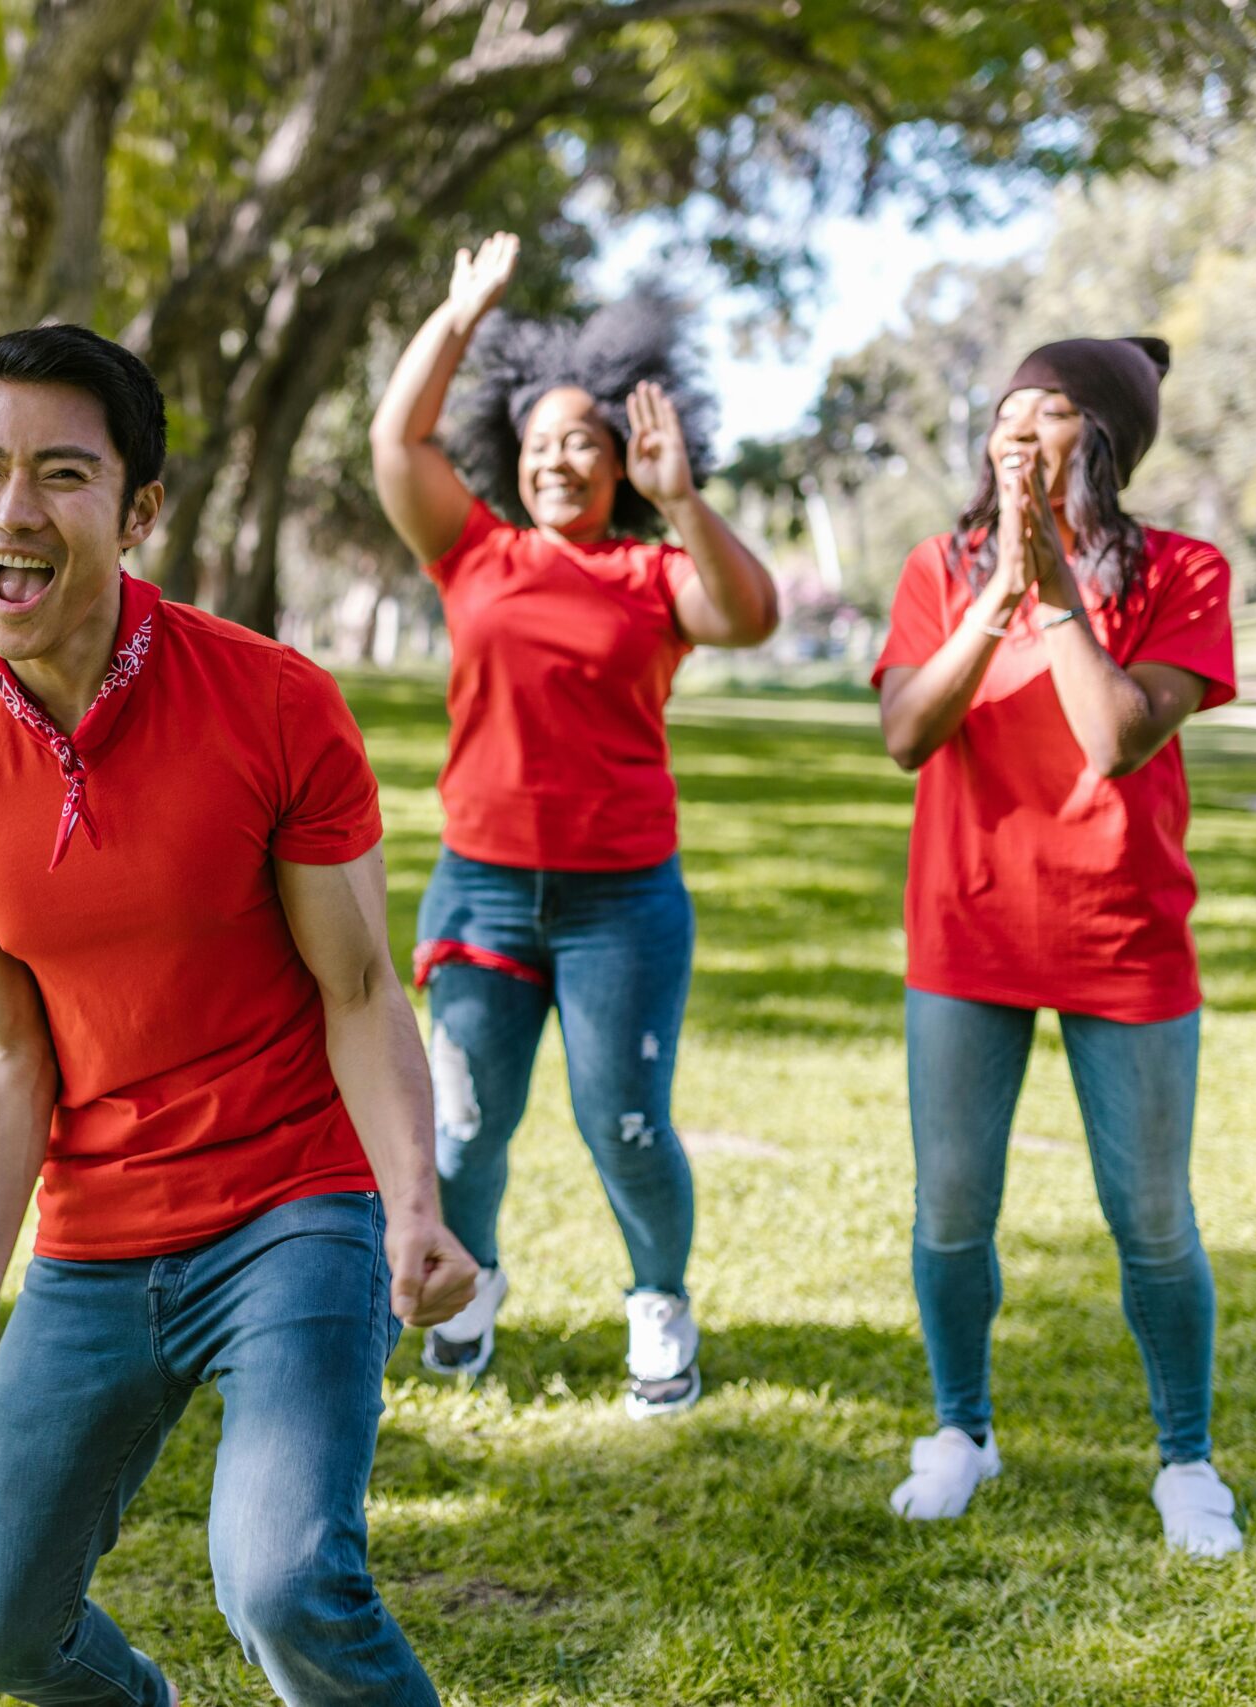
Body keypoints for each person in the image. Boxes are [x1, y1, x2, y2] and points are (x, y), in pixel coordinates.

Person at [0, 324, 478, 1707]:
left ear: (140, 510)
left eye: (63, 474)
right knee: (0, 1635)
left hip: (293, 1203)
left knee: (280, 1577)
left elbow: (359, 984)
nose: (13, 510)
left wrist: (409, 1202)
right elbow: (5, 1047)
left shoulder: (272, 701)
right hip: (94, 1241)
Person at [367, 233, 779, 1407]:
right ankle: (474, 1285)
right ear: (514, 456)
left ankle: (658, 1304)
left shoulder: (654, 578)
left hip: (620, 903)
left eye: (583, 444)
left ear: (619, 459)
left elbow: (747, 615)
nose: (558, 461)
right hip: (484, 890)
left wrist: (683, 499)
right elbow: (397, 440)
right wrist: (457, 316)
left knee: (628, 1126)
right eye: (541, 444)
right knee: (463, 1134)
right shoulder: (473, 554)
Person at [871, 337, 1243, 1558]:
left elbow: (1114, 738)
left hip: (1124, 938)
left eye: (1051, 411)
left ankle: (1185, 1460)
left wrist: (1058, 592)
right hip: (965, 934)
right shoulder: (939, 566)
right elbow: (906, 734)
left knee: (1148, 1218)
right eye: (1005, 413)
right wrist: (996, 596)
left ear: (1107, 441)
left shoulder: (1185, 570)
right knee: (950, 1210)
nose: (1015, 433)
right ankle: (959, 1431)